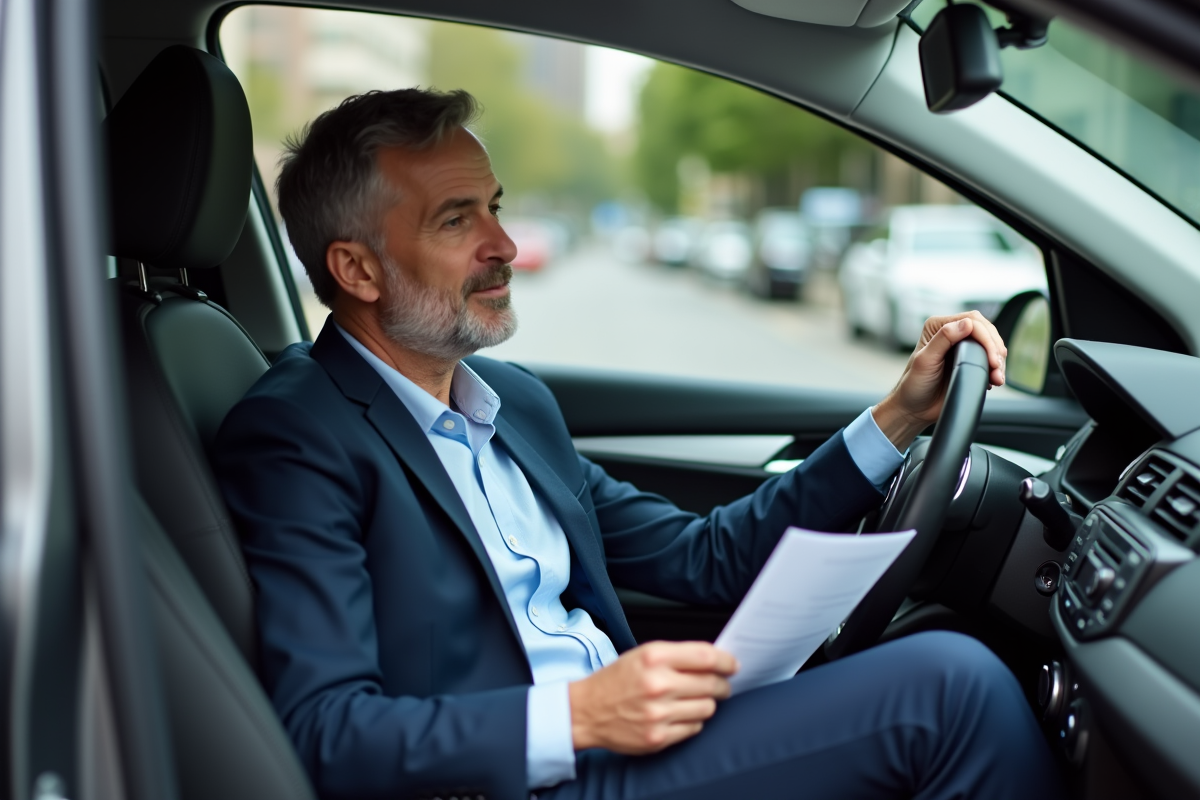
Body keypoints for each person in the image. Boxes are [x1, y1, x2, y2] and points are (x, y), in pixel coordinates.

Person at [212, 88, 1062, 800]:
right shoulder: (296, 434)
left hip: (629, 747)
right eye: (455, 220)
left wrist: (897, 418)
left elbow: (702, 558)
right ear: (356, 271)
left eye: (496, 208)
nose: (504, 246)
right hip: (532, 778)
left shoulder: (513, 402)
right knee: (951, 687)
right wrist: (580, 715)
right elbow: (324, 733)